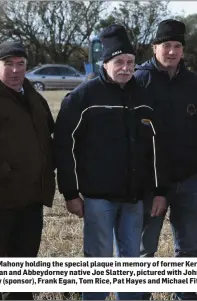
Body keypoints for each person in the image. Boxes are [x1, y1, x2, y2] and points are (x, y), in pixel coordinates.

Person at [54, 24, 168, 300]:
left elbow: (157, 148)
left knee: (131, 262)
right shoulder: (83, 97)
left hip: (134, 198)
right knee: (98, 261)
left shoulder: (143, 97)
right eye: (119, 62)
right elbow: (63, 146)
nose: (126, 68)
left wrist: (160, 190)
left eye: (130, 62)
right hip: (98, 199)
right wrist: (70, 193)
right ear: (105, 63)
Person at [0, 41, 55, 300]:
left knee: (22, 274)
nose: (16, 70)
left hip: (30, 200)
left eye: (21, 64)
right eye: (9, 64)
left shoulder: (33, 96)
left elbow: (48, 135)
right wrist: (3, 171)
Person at [134, 19, 197, 300]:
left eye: (177, 46)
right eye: (166, 45)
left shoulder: (193, 83)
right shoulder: (138, 81)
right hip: (149, 184)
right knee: (144, 250)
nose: (172, 51)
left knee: (190, 250)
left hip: (189, 181)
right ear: (154, 47)